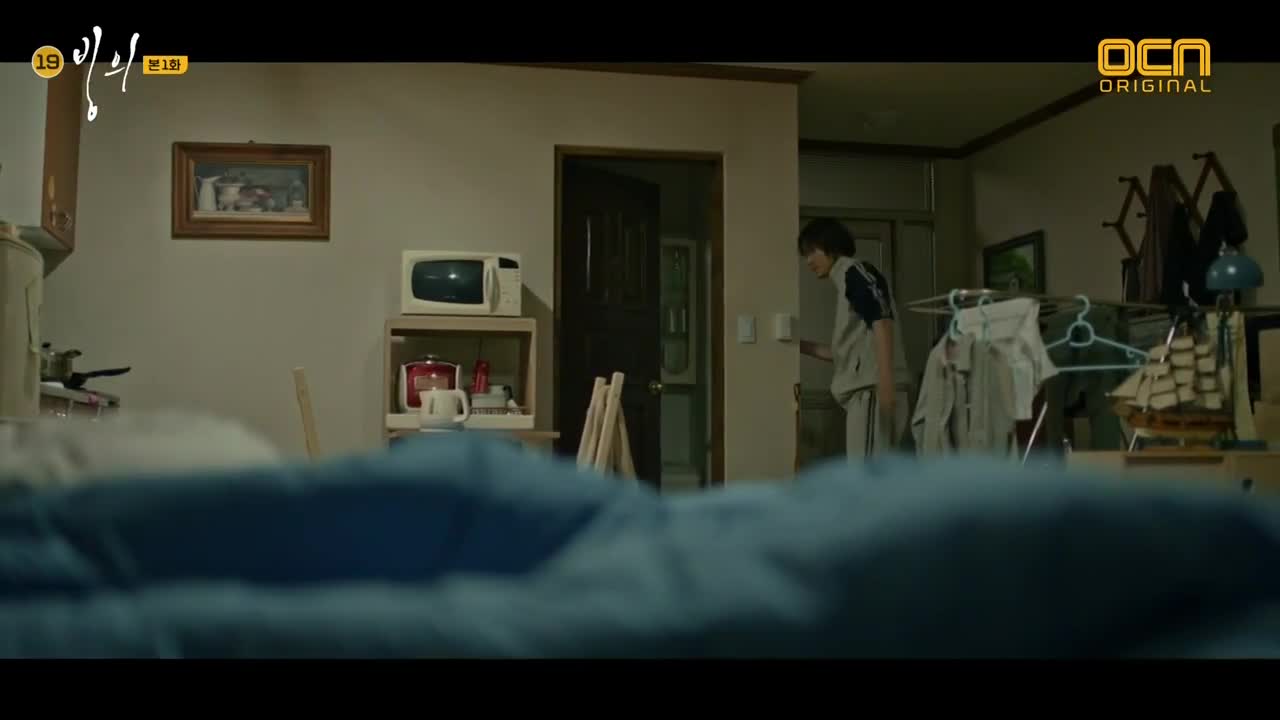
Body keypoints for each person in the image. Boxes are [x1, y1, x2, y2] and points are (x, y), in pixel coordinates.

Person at [797, 218, 912, 459]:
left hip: (873, 390)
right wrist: (798, 346)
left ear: (831, 246)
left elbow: (882, 319)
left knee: (867, 472)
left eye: (812, 251)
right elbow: (844, 354)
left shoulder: (855, 272)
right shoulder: (845, 281)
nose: (808, 261)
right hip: (868, 391)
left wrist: (885, 382)